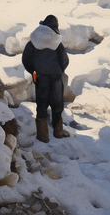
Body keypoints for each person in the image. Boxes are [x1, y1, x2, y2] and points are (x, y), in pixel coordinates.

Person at [22, 15, 70, 143]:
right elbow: (64, 61)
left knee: (41, 104)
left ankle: (43, 135)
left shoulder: (33, 41)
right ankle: (58, 131)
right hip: (55, 77)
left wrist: (34, 71)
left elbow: (26, 60)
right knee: (57, 103)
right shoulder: (57, 42)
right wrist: (59, 71)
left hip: (40, 76)